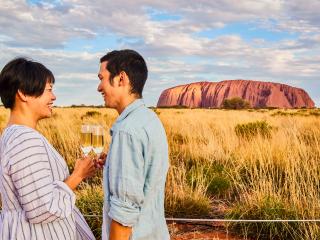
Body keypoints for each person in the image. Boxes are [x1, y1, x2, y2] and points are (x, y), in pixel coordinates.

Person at [0, 58, 96, 240]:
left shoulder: (13, 135)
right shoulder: (24, 140)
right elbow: (42, 209)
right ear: (23, 93)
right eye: (49, 90)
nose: (54, 97)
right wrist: (77, 176)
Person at [97, 49, 170, 240]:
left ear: (121, 78)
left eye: (102, 78)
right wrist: (114, 163)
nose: (99, 87)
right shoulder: (149, 119)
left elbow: (124, 214)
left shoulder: (127, 130)